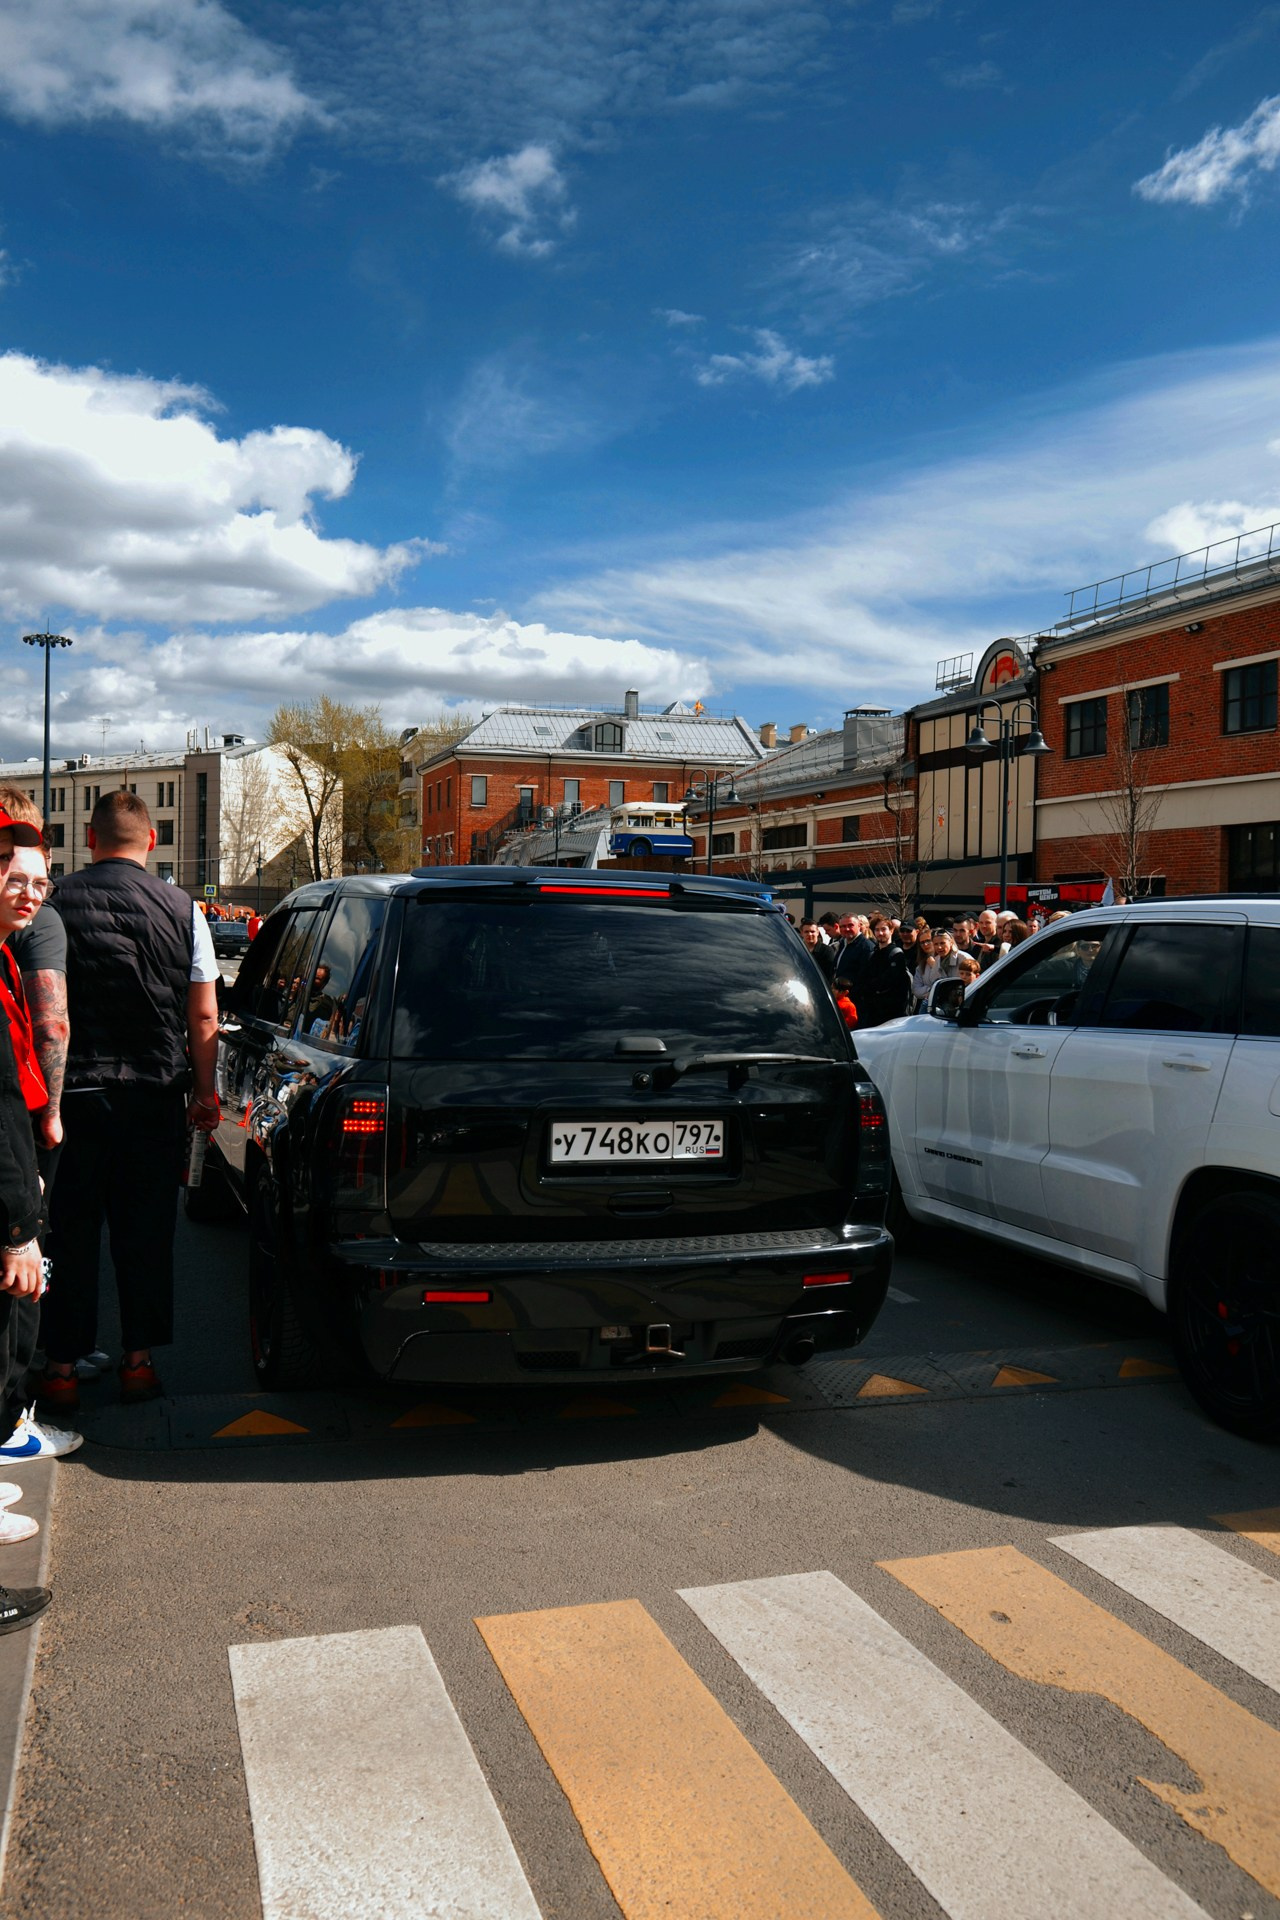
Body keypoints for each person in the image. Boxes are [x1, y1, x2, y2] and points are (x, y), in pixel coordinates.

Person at [39, 791, 221, 1412]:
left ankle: (61, 1369)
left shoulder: (55, 902)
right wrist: (204, 1094)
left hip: (73, 1098)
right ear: (150, 842)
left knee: (67, 1232)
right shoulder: (183, 909)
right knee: (144, 1234)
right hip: (153, 1096)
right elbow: (203, 1016)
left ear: (89, 841)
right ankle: (137, 1365)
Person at [855, 918, 913, 1027]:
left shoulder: (897, 954)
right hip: (872, 1012)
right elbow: (863, 978)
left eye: (883, 929)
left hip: (891, 1014)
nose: (880, 933)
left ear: (891, 931)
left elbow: (889, 982)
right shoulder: (873, 954)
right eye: (877, 930)